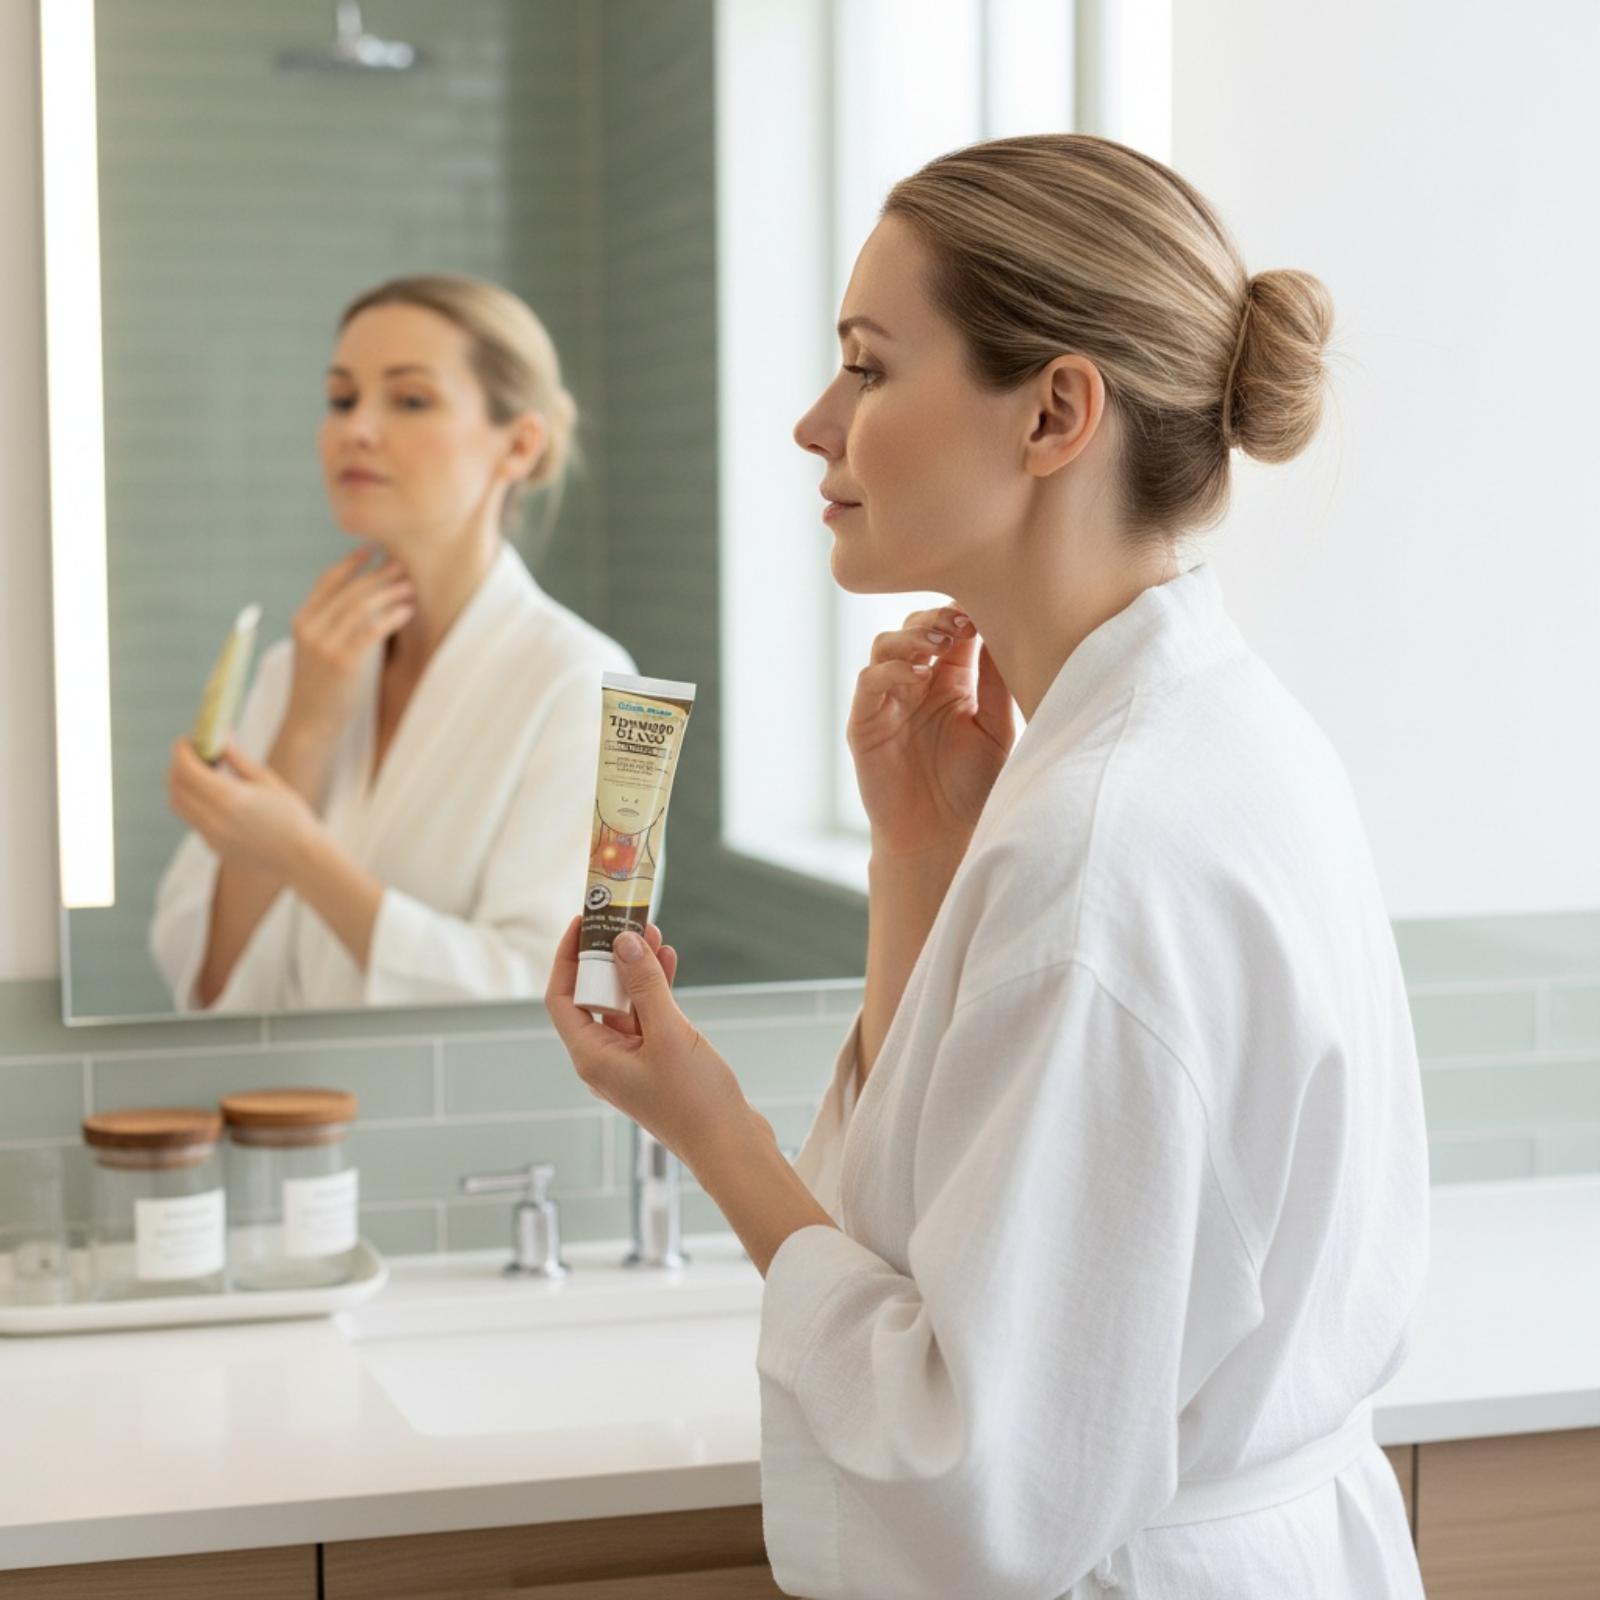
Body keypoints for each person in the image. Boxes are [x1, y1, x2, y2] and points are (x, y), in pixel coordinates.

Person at [544, 133, 1428, 1599]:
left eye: (869, 367)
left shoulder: (1104, 842)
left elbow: (975, 1468)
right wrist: (919, 857)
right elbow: (947, 1232)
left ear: (1055, 413)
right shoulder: (1210, 731)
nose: (815, 423)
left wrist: (710, 1126)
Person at [151, 275, 633, 1010]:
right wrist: (308, 725)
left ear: (519, 445)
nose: (358, 429)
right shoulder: (296, 669)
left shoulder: (585, 684)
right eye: (342, 399)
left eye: (410, 400)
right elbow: (206, 983)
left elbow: (558, 995)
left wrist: (301, 854)